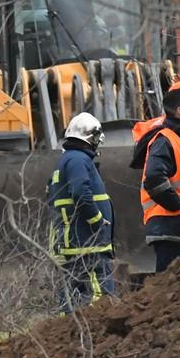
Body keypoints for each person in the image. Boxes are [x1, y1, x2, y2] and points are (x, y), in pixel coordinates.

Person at [47, 113, 114, 311]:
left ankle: (71, 333)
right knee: (101, 299)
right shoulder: (78, 160)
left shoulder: (68, 159)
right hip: (88, 241)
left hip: (79, 241)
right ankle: (95, 335)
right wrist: (97, 220)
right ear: (91, 138)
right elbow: (80, 192)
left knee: (74, 296)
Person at [138, 87, 180, 272]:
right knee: (172, 289)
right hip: (170, 227)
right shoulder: (164, 140)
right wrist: (176, 204)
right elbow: (153, 178)